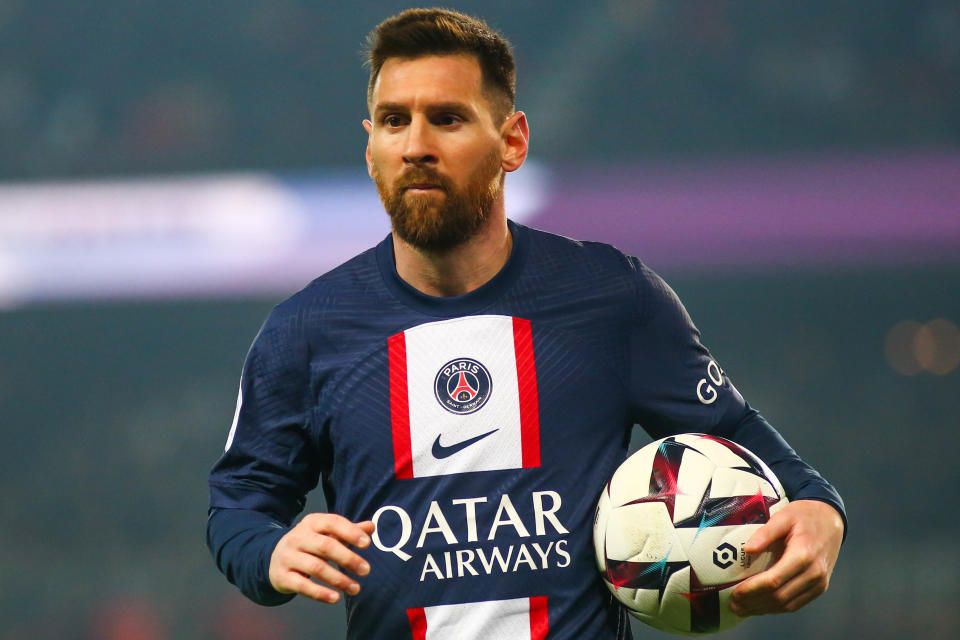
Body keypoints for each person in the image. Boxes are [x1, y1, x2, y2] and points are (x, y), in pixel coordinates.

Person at [207, 8, 846, 639]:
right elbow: (239, 507)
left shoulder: (611, 298)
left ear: (512, 140)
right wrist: (270, 553)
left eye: (448, 119)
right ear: (371, 144)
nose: (416, 146)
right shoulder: (306, 330)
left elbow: (731, 430)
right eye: (395, 122)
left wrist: (819, 509)